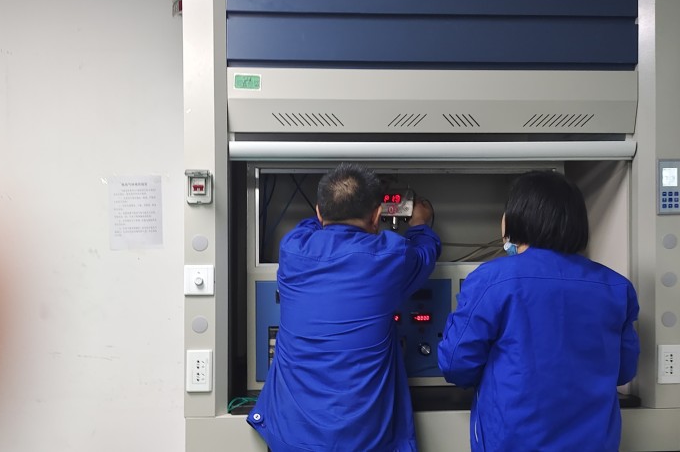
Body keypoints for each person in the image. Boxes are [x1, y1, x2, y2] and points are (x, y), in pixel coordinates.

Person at [437, 170, 640, 452]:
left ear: (516, 217)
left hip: (513, 442)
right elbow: (624, 370)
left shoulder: (491, 280)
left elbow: (455, 364)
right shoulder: (616, 287)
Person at [247, 162, 442, 452]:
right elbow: (426, 253)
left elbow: (311, 226)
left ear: (319, 212)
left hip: (290, 436)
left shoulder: (292, 249)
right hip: (364, 441)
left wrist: (331, 211)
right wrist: (420, 225)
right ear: (377, 215)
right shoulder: (392, 256)